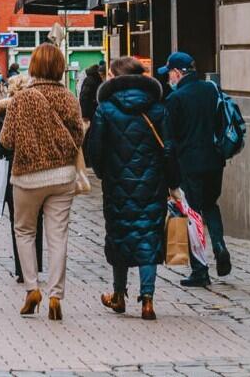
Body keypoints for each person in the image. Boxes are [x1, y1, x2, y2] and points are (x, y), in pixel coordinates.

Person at [85, 57, 179, 320]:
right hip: (152, 183)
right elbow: (169, 148)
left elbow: (96, 148)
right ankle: (147, 300)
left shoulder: (106, 109)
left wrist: (104, 173)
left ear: (116, 77)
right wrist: (172, 181)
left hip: (117, 184)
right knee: (149, 237)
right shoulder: (158, 108)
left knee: (119, 237)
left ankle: (118, 295)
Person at [0, 43, 84, 321]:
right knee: (58, 235)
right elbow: (79, 136)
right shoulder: (69, 97)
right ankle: (56, 295)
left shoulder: (21, 99)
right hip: (62, 176)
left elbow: (6, 140)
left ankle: (32, 288)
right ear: (60, 67)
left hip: (27, 177)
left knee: (24, 231)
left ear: (32, 67)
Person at [159, 52, 231, 287]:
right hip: (214, 160)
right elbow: (222, 123)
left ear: (178, 72)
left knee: (193, 214)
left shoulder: (175, 99)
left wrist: (169, 173)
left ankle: (200, 269)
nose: (168, 78)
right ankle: (219, 244)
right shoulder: (211, 90)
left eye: (169, 73)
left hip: (189, 164)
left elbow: (169, 140)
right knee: (211, 204)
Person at [0, 74, 44, 284]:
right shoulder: (37, 109)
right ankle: (36, 265)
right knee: (37, 221)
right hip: (36, 171)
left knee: (18, 223)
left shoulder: (4, 111)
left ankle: (22, 269)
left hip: (11, 173)